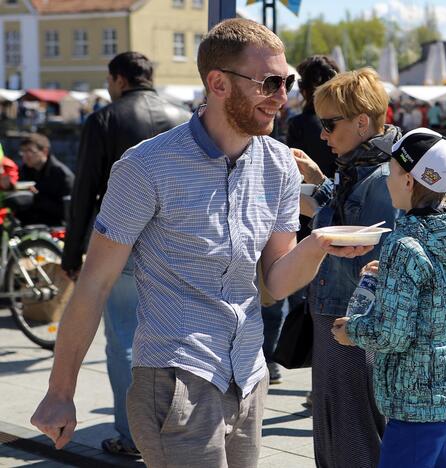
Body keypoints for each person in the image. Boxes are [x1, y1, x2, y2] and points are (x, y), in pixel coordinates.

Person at [31, 18, 373, 467]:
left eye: (287, 82)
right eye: (270, 82)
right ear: (218, 83)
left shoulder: (280, 167)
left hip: (248, 374)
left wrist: (319, 246)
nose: (283, 96)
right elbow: (94, 284)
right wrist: (60, 393)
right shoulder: (146, 167)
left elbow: (276, 280)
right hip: (176, 376)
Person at [59, 51, 190, 457]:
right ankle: (179, 422)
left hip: (124, 240)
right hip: (181, 238)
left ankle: (133, 434)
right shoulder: (185, 114)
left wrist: (72, 252)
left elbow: (85, 190)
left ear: (118, 79)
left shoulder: (105, 119)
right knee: (180, 334)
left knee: (124, 339)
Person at [332, 128, 446, 468]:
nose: (387, 180)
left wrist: (350, 331)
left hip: (416, 403)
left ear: (410, 181)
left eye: (393, 172)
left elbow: (391, 334)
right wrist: (391, 279)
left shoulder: (404, 246)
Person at [291, 67, 401, 468]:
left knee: (352, 436)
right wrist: (319, 184)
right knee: (340, 428)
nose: (323, 134)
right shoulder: (367, 167)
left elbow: (372, 255)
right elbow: (339, 208)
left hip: (351, 322)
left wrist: (319, 214)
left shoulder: (383, 177)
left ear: (360, 122)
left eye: (328, 124)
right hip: (340, 316)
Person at [262, 54, 339, 386]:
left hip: (299, 214)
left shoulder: (297, 124)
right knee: (326, 301)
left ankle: (277, 357)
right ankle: (322, 373)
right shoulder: (341, 121)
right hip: (338, 216)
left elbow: (282, 169)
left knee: (289, 294)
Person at [15, 133, 74, 227]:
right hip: (25, 226)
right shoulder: (22, 171)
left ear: (45, 151)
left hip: (53, 228)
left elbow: (67, 212)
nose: (25, 156)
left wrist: (36, 197)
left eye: (30, 151)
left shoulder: (62, 175)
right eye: (23, 151)